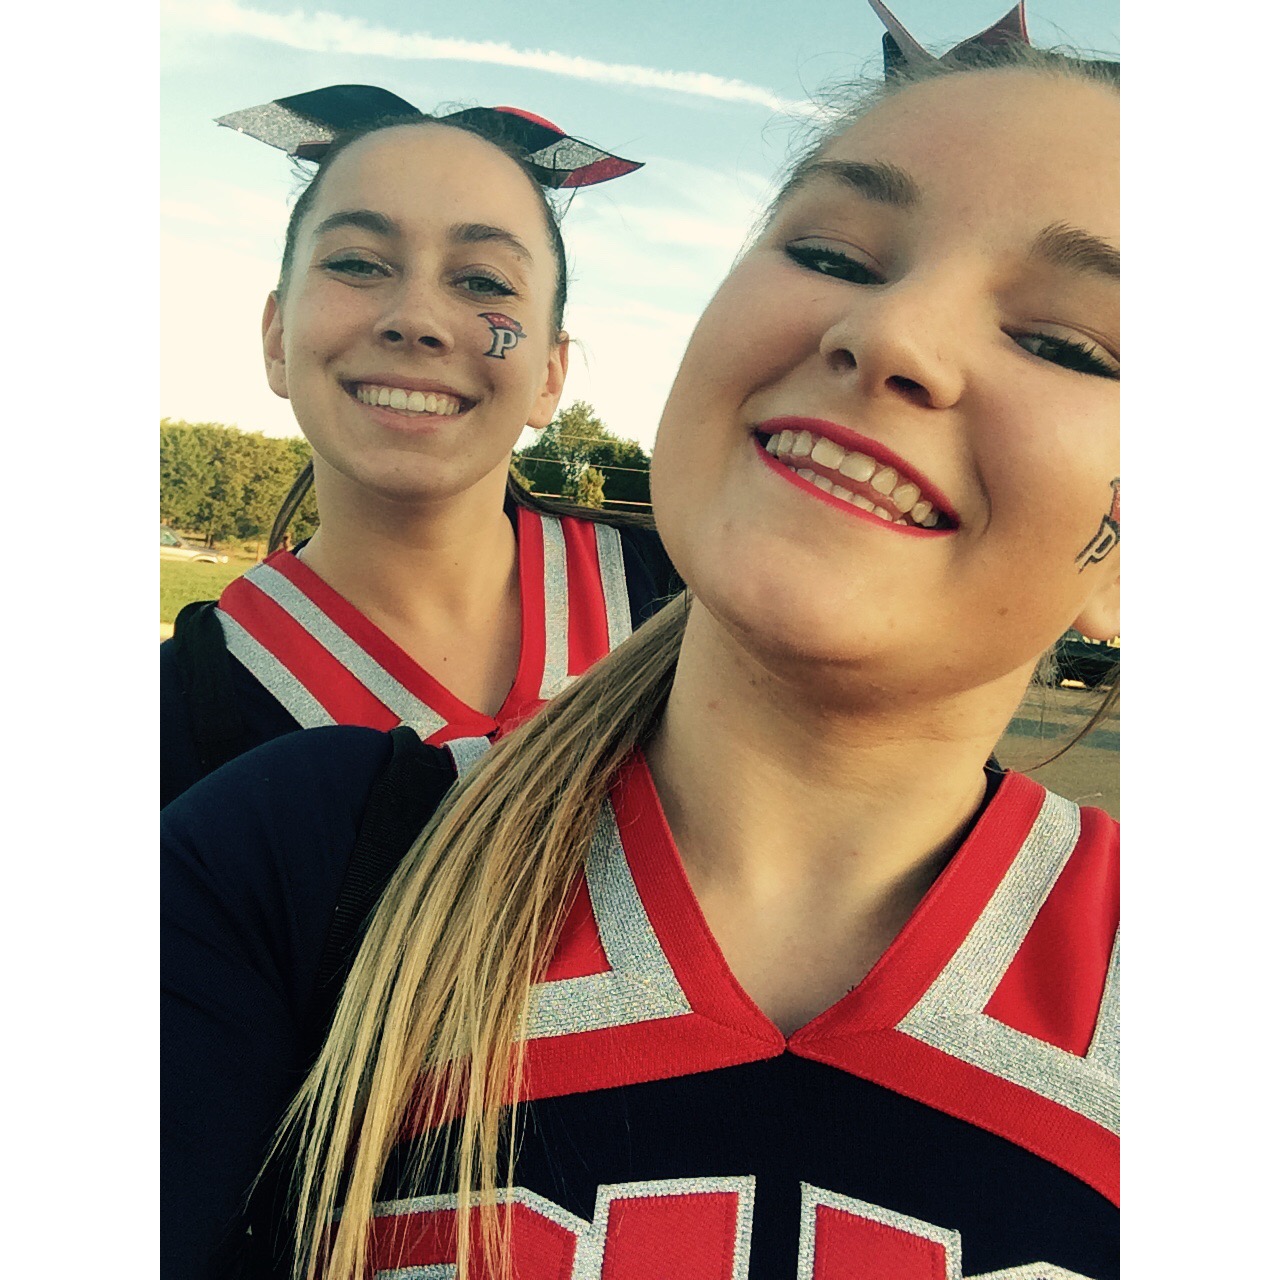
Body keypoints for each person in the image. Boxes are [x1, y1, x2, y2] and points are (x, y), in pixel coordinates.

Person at [162, 5, 1120, 1276]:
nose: (893, 333)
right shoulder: (267, 844)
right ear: (272, 333)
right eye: (830, 253)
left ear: (556, 369)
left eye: (1063, 343)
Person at [160, 88, 678, 807]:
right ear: (277, 337)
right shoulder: (173, 718)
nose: (416, 319)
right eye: (358, 264)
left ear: (549, 377)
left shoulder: (687, 603)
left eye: (483, 280)